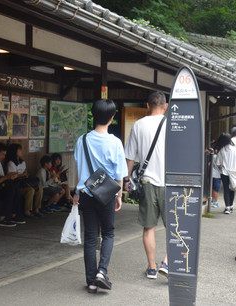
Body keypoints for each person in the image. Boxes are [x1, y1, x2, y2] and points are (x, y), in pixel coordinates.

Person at [73, 99, 127, 294]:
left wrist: (77, 192)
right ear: (112, 118)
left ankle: (91, 281)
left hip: (86, 194)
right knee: (108, 233)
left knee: (90, 237)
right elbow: (119, 173)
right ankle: (102, 272)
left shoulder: (82, 140)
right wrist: (119, 196)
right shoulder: (115, 142)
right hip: (106, 195)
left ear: (93, 116)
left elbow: (80, 168)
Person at [124, 91, 168, 279]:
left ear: (147, 105)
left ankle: (151, 267)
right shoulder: (173, 125)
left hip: (147, 183)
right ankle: (166, 263)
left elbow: (130, 157)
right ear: (165, 106)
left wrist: (126, 180)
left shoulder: (138, 125)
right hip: (170, 183)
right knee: (175, 228)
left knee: (149, 227)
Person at [5, 144, 43, 218]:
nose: (21, 151)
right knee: (30, 190)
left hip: (25, 183)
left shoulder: (22, 162)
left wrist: (25, 174)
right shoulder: (11, 163)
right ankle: (27, 211)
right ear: (14, 151)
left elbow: (24, 172)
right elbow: (12, 176)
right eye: (19, 150)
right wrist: (22, 175)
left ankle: (37, 210)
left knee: (40, 189)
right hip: (17, 185)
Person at [215, 133, 236, 214]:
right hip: (234, 172)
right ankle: (231, 205)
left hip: (225, 172)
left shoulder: (222, 150)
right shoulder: (235, 150)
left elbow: (218, 163)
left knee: (226, 189)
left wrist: (222, 167)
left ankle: (227, 207)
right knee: (232, 189)